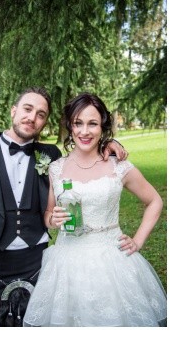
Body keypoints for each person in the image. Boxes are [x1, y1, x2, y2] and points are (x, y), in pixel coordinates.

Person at [0, 87, 127, 326]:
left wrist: (108, 144)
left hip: (36, 263)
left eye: (41, 114)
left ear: (44, 122)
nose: (32, 117)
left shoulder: (50, 154)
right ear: (13, 111)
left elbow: (83, 154)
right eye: (27, 109)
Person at [22, 93, 166, 327]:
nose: (84, 132)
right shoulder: (56, 168)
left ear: (103, 127)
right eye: (78, 123)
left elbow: (154, 201)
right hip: (66, 263)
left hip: (112, 261)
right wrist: (53, 219)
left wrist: (138, 241)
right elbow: (48, 215)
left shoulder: (117, 165)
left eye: (92, 124)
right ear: (69, 125)